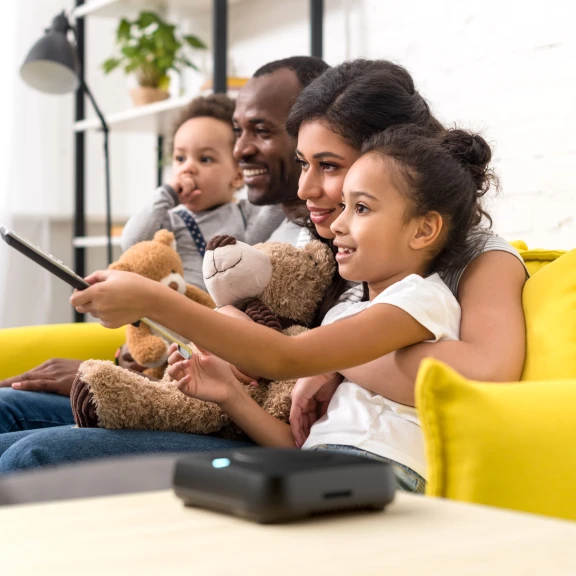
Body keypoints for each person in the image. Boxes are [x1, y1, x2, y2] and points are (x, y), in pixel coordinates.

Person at [0, 59, 526, 475]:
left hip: (298, 449)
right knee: (10, 419)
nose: (304, 189)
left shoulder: (473, 257)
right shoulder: (333, 247)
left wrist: (335, 352)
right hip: (258, 423)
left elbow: (488, 375)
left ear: (391, 163)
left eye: (329, 167)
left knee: (27, 458)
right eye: (304, 162)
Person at [69, 124, 497, 494]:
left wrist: (152, 299)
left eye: (362, 208)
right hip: (322, 465)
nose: (341, 221)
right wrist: (231, 395)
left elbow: (285, 356)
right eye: (345, 205)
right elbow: (297, 442)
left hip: (384, 474)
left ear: (424, 229)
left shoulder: (420, 300)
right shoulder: (347, 316)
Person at [0, 56, 329, 432]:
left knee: (22, 449)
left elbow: (267, 357)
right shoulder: (269, 222)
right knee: (5, 408)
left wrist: (116, 374)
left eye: (262, 130)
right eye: (238, 131)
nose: (241, 150)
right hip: (175, 381)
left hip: (205, 405)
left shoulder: (319, 240)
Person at [121, 93, 282, 291]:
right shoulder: (169, 220)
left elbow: (278, 204)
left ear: (238, 175)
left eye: (205, 159)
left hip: (222, 316)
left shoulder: (244, 214)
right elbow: (131, 243)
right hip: (176, 311)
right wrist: (168, 193)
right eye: (180, 158)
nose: (187, 168)